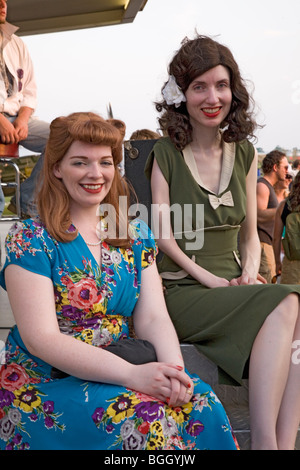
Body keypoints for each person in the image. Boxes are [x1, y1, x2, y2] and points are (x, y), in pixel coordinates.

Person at [0, 112, 238, 450]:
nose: (96, 174)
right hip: (49, 381)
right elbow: (42, 340)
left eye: (105, 162)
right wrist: (134, 376)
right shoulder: (31, 238)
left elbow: (153, 317)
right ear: (57, 168)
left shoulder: (135, 234)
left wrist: (174, 371)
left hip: (128, 368)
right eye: (80, 163)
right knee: (147, 420)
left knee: (203, 404)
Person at [145, 34, 300, 450]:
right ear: (182, 94)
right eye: (199, 86)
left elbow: (251, 234)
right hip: (181, 286)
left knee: (296, 308)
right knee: (288, 300)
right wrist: (211, 280)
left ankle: (282, 444)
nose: (213, 97)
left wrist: (250, 273)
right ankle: (267, 444)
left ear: (234, 91)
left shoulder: (245, 152)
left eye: (221, 85)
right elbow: (163, 237)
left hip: (235, 283)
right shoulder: (165, 152)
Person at [0, 0, 49, 217]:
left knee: (64, 138)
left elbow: (29, 89)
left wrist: (22, 119)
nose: (3, 4)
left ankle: (27, 201)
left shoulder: (17, 43)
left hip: (16, 116)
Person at [257, 151, 289, 282]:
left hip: (267, 243)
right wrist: (282, 210)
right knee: (268, 284)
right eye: (285, 167)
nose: (287, 172)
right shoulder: (262, 186)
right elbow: (258, 215)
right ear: (275, 168)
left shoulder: (267, 186)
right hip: (263, 243)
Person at [273, 171, 300, 284]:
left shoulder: (284, 205)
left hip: (291, 264)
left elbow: (276, 238)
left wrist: (278, 262)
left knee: (291, 298)